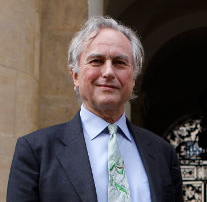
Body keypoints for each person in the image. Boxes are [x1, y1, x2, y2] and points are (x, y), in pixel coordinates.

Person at [7, 16, 183, 202]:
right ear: (75, 75)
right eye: (96, 61)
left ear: (133, 79)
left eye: (119, 62)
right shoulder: (37, 152)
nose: (108, 72)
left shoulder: (162, 154)